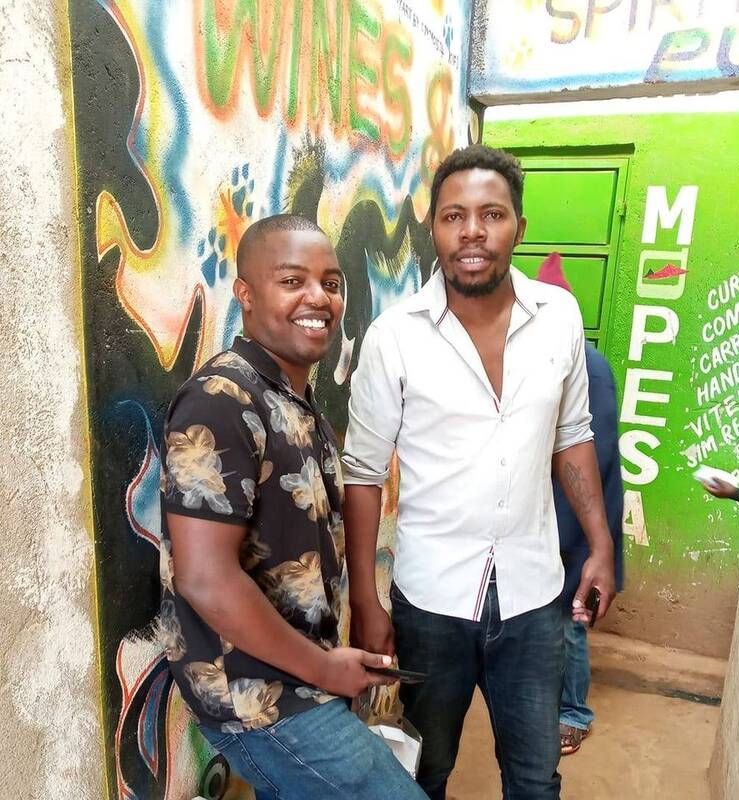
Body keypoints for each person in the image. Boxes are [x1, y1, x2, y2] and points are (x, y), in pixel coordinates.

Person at [342, 145, 617, 800]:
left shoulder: (558, 317)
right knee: (422, 771)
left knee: (535, 777)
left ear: (518, 226)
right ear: (433, 228)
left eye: (492, 214)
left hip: (535, 597)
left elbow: (573, 437)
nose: (472, 231)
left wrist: (601, 545)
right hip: (430, 601)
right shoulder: (394, 336)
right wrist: (365, 602)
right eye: (454, 216)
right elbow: (363, 473)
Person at [158, 214, 427, 800]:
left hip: (300, 679)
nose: (319, 298)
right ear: (246, 294)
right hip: (260, 700)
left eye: (331, 283)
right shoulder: (222, 401)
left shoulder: (291, 396)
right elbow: (204, 577)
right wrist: (325, 669)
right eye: (291, 280)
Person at [536, 254, 624, 757]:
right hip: (556, 514)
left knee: (570, 618)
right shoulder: (554, 359)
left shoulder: (589, 366)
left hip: (573, 518)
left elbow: (595, 452)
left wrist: (577, 530)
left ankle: (573, 713)